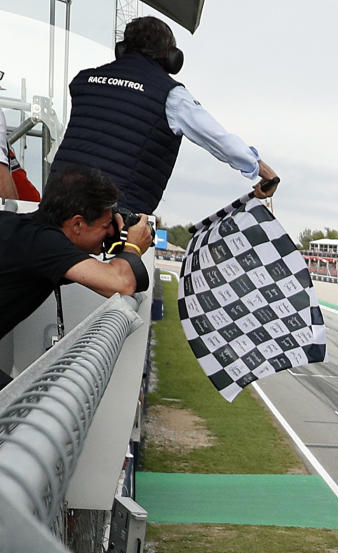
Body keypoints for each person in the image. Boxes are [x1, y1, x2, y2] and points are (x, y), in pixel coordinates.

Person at [49, 16, 277, 215]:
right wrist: (264, 173)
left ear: (123, 49)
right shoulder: (170, 95)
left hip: (54, 204)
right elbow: (219, 139)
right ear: (172, 57)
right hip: (109, 216)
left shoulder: (84, 81)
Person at [0, 165, 151, 343]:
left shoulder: (28, 231)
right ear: (78, 224)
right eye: (105, 226)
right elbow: (120, 283)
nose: (110, 232)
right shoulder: (46, 244)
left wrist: (118, 242)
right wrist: (134, 245)